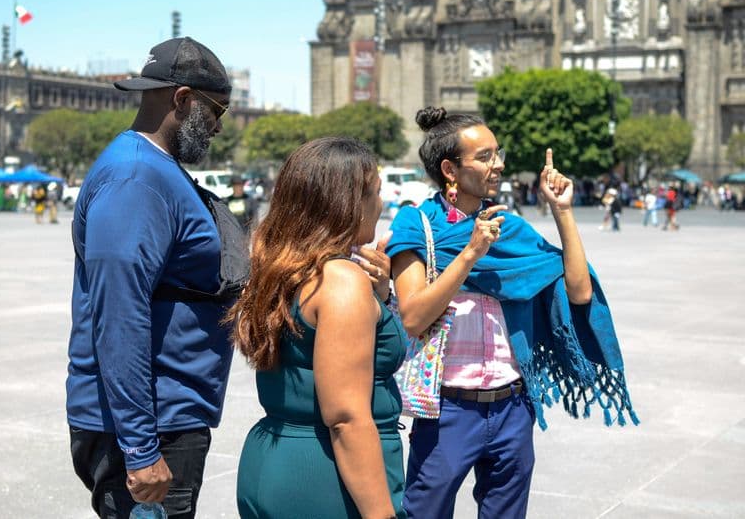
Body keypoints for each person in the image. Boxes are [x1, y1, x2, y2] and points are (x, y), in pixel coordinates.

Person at [387, 107, 638, 519]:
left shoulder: (511, 228)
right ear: (450, 169)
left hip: (512, 407)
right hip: (446, 410)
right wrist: (470, 253)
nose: (499, 163)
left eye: (497, 153)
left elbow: (578, 289)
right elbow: (413, 317)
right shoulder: (418, 225)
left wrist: (563, 211)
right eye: (485, 156)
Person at [66, 37, 235, 518]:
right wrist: (140, 449)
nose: (219, 126)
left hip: (166, 414)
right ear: (182, 100)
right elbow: (119, 316)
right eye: (216, 109)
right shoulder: (136, 179)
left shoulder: (158, 170)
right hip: (146, 427)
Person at [231, 137, 407, 519]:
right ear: (347, 203)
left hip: (274, 455)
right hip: (326, 473)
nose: (380, 205)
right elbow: (346, 418)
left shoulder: (283, 268)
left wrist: (378, 295)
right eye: (375, 193)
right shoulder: (340, 280)